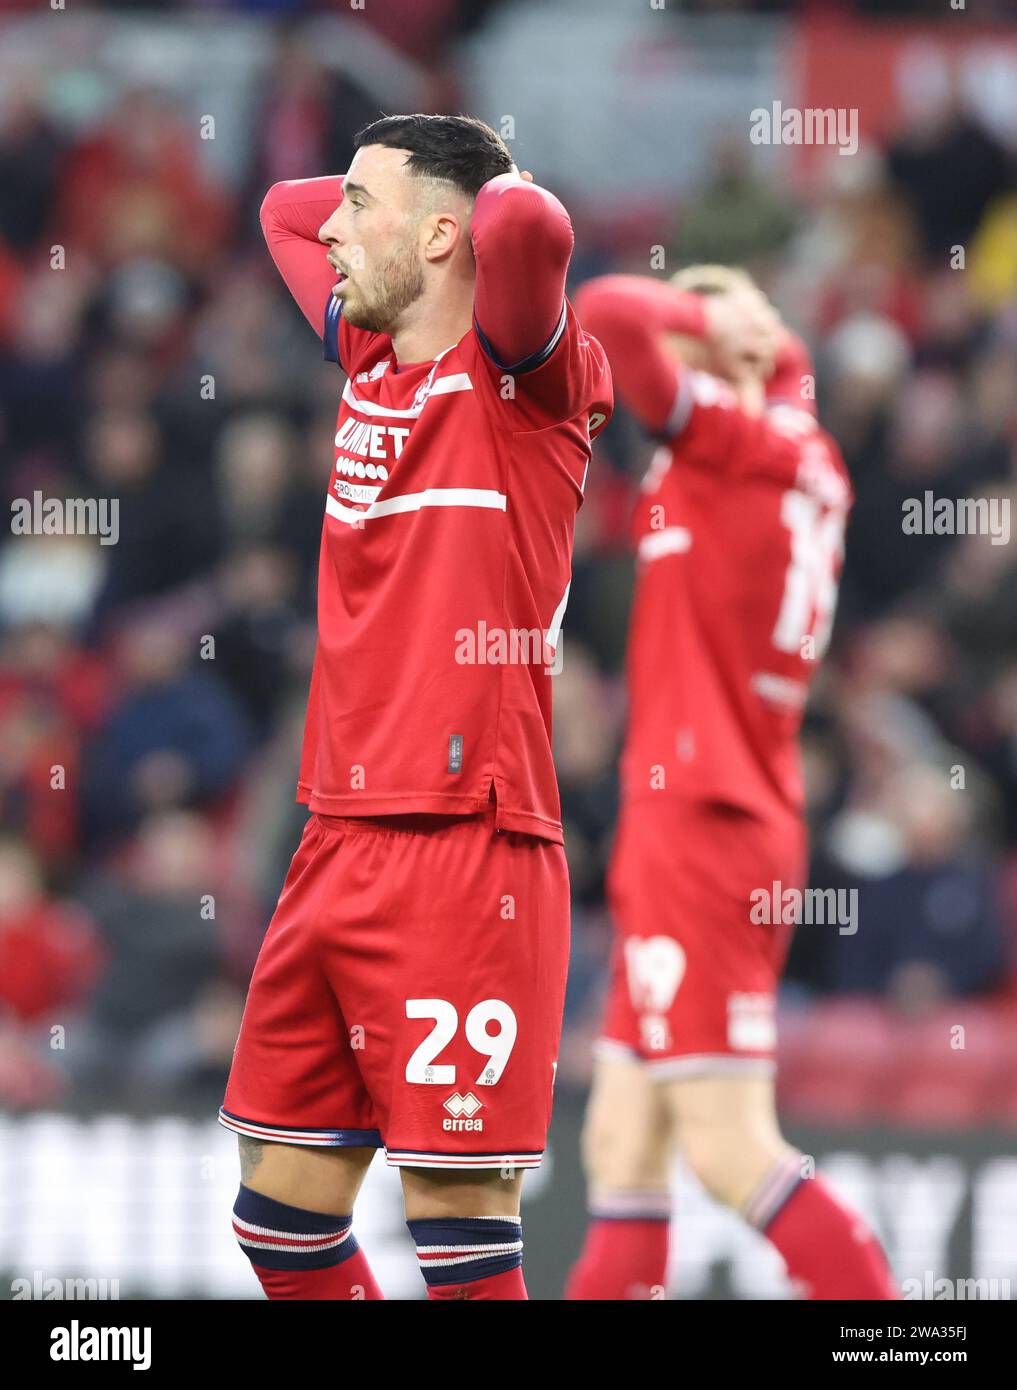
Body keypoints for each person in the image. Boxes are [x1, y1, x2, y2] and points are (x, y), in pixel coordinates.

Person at [219, 114, 612, 1301]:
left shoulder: (527, 384)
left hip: (466, 844)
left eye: (363, 205)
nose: (328, 228)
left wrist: (488, 177)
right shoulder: (366, 355)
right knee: (279, 1225)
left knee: (459, 1241)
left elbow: (530, 224)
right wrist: (395, 172)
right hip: (334, 833)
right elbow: (278, 210)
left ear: (445, 234)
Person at [565, 265, 897, 1300]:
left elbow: (611, 314)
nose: (679, 343)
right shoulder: (803, 453)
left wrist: (705, 312)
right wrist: (764, 335)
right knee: (620, 1145)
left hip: (700, 824)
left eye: (699, 328)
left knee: (727, 1148)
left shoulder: (730, 447)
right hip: (720, 810)